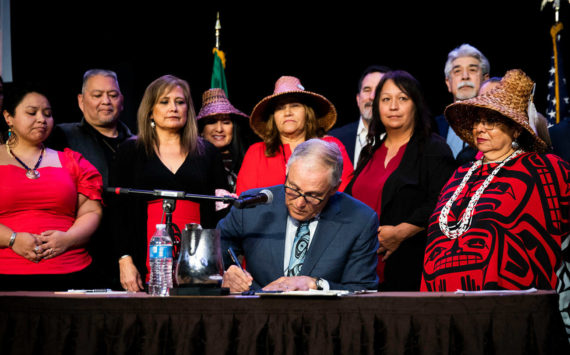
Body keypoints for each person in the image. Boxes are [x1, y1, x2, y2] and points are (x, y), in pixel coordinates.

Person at [421, 69, 569, 292]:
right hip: (443, 304)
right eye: (477, 121)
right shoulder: (460, 173)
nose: (480, 128)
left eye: (491, 121)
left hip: (508, 305)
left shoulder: (542, 168)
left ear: (516, 129)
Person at [112, 75, 227, 292]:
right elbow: (118, 214)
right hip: (143, 262)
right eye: (164, 102)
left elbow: (221, 213)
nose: (173, 108)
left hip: (199, 266)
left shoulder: (208, 153)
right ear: (150, 110)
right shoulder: (130, 152)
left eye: (180, 102)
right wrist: (124, 260)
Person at [344, 70, 456, 291]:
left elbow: (446, 201)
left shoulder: (434, 148)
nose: (393, 106)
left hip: (409, 267)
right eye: (386, 99)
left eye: (402, 99)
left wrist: (401, 232)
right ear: (377, 107)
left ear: (416, 104)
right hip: (359, 268)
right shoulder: (370, 151)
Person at [220, 139, 379, 292]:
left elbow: (362, 290)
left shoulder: (360, 220)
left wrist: (316, 284)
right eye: (293, 189)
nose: (299, 203)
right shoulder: (253, 205)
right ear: (287, 172)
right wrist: (226, 277)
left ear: (334, 188)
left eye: (313, 196)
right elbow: (211, 258)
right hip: (256, 315)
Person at [0, 83, 103, 290]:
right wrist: (13, 239)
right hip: (6, 274)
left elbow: (91, 210)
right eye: (32, 112)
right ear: (8, 117)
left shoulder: (72, 161)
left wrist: (68, 239)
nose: (41, 119)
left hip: (71, 272)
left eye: (47, 114)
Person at [46, 69, 134, 288]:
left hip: (131, 250)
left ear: (122, 100)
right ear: (81, 101)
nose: (106, 101)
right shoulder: (60, 137)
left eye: (113, 95)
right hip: (80, 252)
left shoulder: (138, 143)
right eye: (97, 95)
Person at [235, 76, 354, 195]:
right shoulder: (257, 152)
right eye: (280, 108)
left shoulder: (331, 146)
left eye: (295, 105)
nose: (287, 113)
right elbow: (244, 201)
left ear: (307, 112)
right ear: (273, 117)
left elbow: (345, 194)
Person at [435, 44, 490, 165]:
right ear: (448, 83)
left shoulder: (499, 124)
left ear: (486, 80)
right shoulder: (433, 126)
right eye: (457, 71)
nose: (465, 76)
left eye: (472, 70)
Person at [329, 65, 391, 168]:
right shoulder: (335, 140)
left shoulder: (408, 142)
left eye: (380, 90)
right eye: (367, 90)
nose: (372, 97)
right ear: (358, 99)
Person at [196, 88, 257, 193]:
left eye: (226, 122)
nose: (219, 129)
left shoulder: (250, 160)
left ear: (234, 128)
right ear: (201, 130)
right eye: (211, 122)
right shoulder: (192, 163)